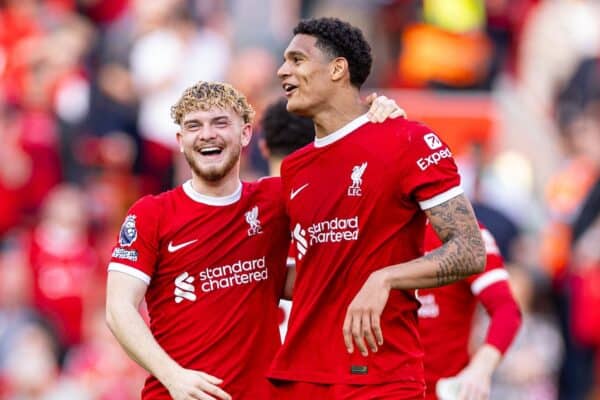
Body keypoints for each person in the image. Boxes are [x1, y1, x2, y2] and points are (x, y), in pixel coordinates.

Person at [105, 80, 404, 400]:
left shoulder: (274, 200)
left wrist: (381, 127)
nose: (207, 134)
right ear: (181, 140)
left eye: (220, 122)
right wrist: (174, 377)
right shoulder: (153, 213)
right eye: (194, 126)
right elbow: (118, 308)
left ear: (246, 134)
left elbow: (356, 188)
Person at [268, 17, 486, 399]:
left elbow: (469, 249)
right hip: (300, 379)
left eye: (297, 59)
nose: (282, 70)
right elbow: (316, 275)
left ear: (338, 69)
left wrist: (384, 278)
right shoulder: (294, 168)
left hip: (380, 378)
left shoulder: (408, 141)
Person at [418, 222, 522, 400]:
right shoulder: (366, 228)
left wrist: (480, 369)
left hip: (441, 391)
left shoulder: (465, 234)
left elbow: (506, 310)